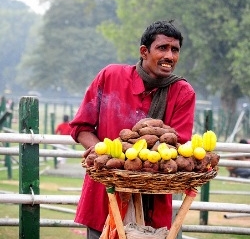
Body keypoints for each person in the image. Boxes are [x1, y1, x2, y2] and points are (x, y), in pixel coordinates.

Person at [70, 20, 196, 239]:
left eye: (175, 50)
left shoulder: (183, 92)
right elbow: (81, 128)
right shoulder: (111, 76)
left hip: (153, 203)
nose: (170, 56)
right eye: (162, 48)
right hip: (105, 195)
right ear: (144, 51)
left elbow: (179, 148)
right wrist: (105, 152)